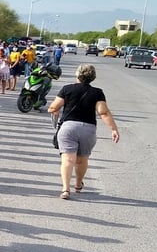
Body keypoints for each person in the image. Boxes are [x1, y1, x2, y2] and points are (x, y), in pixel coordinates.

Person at [47, 64, 120, 200]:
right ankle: (78, 184)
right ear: (92, 77)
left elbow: (53, 107)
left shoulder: (67, 89)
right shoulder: (97, 92)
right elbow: (103, 112)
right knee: (82, 160)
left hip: (68, 127)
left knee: (67, 159)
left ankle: (65, 189)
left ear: (77, 74)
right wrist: (114, 129)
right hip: (88, 129)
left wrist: (54, 110)